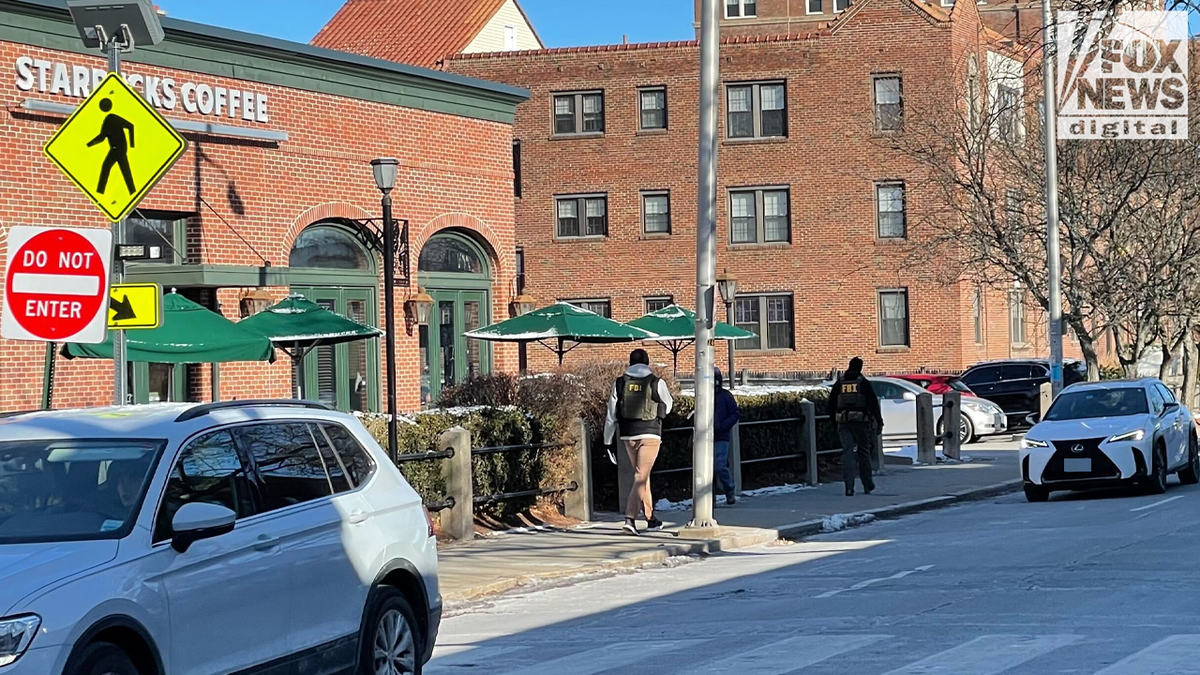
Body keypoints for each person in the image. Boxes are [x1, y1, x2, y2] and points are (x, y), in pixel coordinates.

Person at [605, 349, 674, 536]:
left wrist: (607, 441)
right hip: (650, 434)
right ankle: (630, 518)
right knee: (641, 477)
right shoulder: (656, 382)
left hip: (628, 436)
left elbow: (611, 415)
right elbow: (668, 406)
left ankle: (651, 518)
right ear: (647, 362)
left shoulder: (619, 383)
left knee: (642, 476)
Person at [827, 357, 882, 497]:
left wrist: (834, 422)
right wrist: (878, 421)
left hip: (843, 422)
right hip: (861, 423)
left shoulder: (840, 383)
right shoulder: (863, 383)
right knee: (863, 452)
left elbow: (831, 404)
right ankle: (867, 484)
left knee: (847, 453)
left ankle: (849, 487)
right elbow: (873, 403)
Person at [713, 368, 740, 505]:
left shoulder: (725, 396)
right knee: (706, 469)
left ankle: (729, 488)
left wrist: (723, 426)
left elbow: (735, 413)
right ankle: (709, 498)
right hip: (705, 436)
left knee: (719, 465)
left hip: (721, 436)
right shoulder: (703, 396)